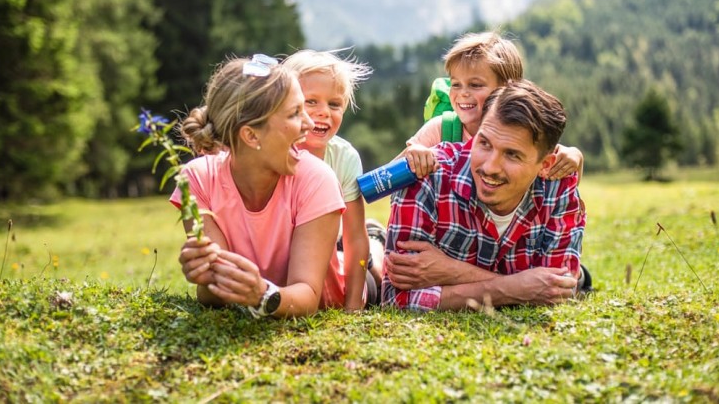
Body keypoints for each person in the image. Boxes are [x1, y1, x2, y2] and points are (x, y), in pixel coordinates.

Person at [382, 80, 587, 311]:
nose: (490, 167)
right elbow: (396, 299)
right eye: (484, 144)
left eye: (512, 155)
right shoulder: (426, 175)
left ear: (545, 165)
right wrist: (518, 287)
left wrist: (453, 271)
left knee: (577, 278)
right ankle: (376, 238)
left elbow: (556, 291)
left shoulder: (558, 186)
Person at [172, 55, 347, 318]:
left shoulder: (318, 179)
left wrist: (262, 295)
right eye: (295, 113)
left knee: (373, 268)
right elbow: (215, 292)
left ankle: (375, 242)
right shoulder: (198, 180)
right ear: (251, 135)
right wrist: (206, 277)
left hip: (339, 289)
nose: (309, 124)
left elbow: (308, 296)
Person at [403, 31, 584, 182]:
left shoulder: (522, 132)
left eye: (475, 85)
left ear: (507, 89)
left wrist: (575, 156)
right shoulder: (441, 129)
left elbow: (559, 170)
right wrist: (413, 155)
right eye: (456, 84)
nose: (463, 93)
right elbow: (389, 176)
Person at [282, 49, 385, 310]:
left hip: (334, 249)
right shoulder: (275, 153)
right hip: (309, 251)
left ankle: (378, 241)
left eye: (334, 104)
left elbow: (355, 237)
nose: (323, 112)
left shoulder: (344, 157)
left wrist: (354, 305)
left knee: (375, 280)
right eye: (311, 102)